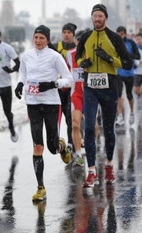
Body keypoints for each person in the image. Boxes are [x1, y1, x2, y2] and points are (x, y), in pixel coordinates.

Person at [75, 4, 133, 188]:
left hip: (110, 86)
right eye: (94, 16)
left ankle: (108, 164)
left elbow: (127, 63)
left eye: (100, 16)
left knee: (108, 129)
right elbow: (77, 56)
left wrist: (110, 59)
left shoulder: (114, 37)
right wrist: (82, 62)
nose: (97, 19)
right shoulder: (85, 36)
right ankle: (91, 171)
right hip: (90, 87)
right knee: (89, 128)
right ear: (92, 18)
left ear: (105, 18)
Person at [14, 25, 73, 201]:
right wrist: (19, 84)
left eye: (42, 38)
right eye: (36, 37)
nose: (38, 41)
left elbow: (68, 79)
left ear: (47, 40)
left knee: (52, 148)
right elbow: (22, 73)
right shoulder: (27, 56)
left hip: (50, 104)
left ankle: (61, 146)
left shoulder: (55, 57)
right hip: (32, 103)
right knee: (38, 146)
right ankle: (40, 187)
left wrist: (52, 84)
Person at [53, 23, 78, 154]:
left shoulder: (77, 49)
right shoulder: (57, 47)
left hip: (72, 87)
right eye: (64, 32)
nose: (66, 34)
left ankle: (70, 143)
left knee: (70, 116)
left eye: (69, 32)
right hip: (59, 87)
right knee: (60, 115)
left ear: (73, 34)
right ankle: (58, 141)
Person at [66, 29, 85, 167]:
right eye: (79, 40)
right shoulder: (69, 54)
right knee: (75, 124)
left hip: (91, 94)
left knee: (92, 127)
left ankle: (92, 146)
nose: (80, 43)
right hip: (76, 94)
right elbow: (65, 72)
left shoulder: (93, 54)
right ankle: (78, 154)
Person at [115, 26, 140, 127]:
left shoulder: (131, 43)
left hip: (129, 72)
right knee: (118, 94)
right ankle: (120, 116)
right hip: (118, 73)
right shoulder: (114, 43)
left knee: (129, 94)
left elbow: (138, 56)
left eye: (121, 34)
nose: (120, 36)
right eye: (118, 34)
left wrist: (128, 55)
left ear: (125, 34)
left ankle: (132, 112)